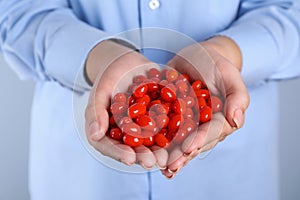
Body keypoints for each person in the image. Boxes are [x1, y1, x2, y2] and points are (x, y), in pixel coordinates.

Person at [0, 0, 299, 199]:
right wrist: (99, 56)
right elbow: (18, 12)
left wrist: (226, 52)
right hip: (82, 179)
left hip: (230, 180)